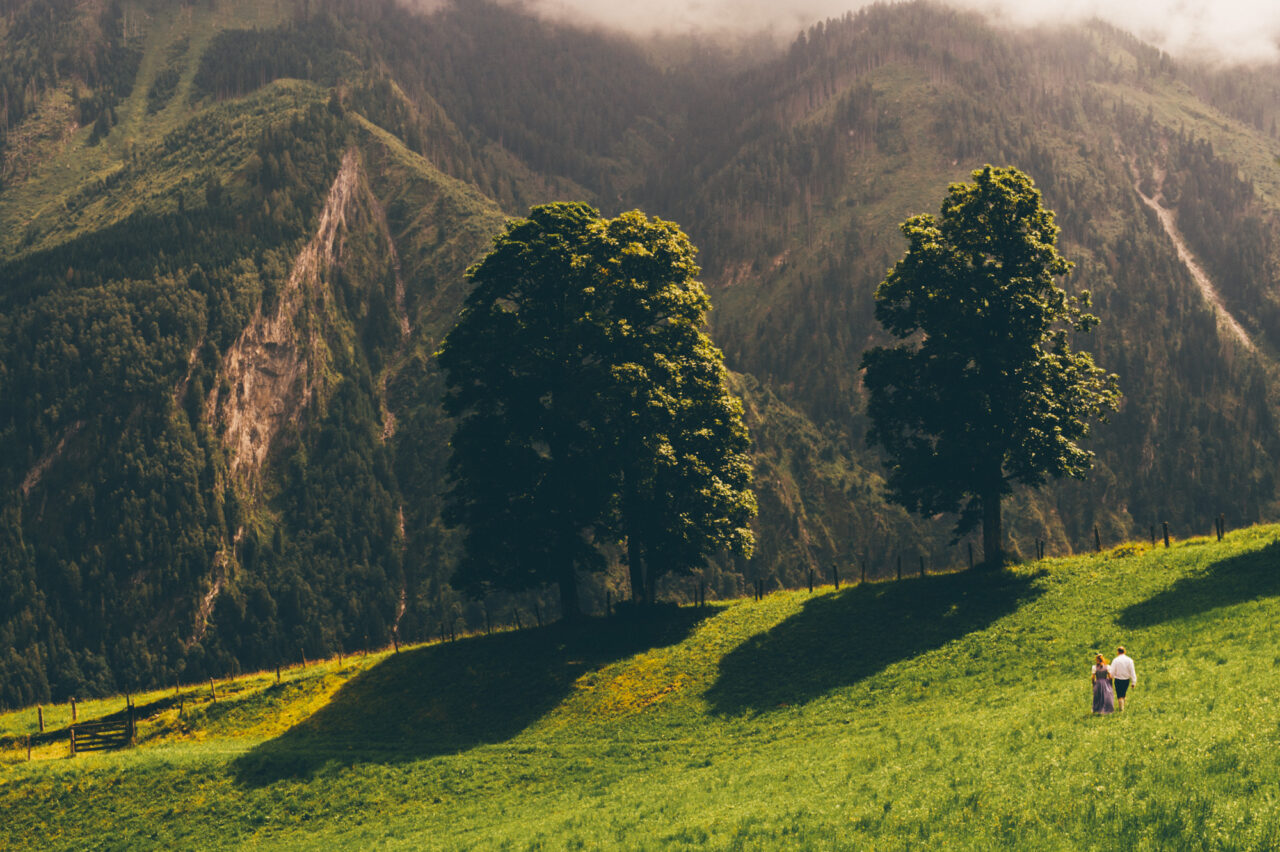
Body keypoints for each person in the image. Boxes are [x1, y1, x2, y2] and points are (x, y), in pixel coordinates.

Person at [1110, 646, 1137, 711]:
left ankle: (1121, 708)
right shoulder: (1129, 660)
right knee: (1123, 693)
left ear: (1118, 652)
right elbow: (1132, 671)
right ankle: (1122, 707)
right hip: (1126, 680)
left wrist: (1110, 678)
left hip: (1118, 679)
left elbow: (1112, 671)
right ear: (1124, 651)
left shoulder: (1115, 660)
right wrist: (1134, 682)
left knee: (1119, 694)